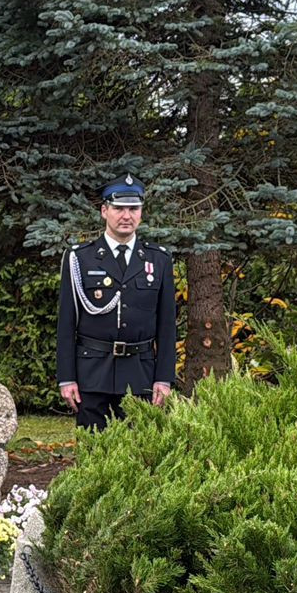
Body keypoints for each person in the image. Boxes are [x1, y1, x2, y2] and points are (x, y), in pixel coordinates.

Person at [56, 175, 178, 430]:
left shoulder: (159, 260)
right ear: (104, 211)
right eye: (119, 208)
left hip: (140, 375)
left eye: (133, 208)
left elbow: (167, 327)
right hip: (92, 374)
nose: (126, 215)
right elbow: (66, 324)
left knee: (141, 457)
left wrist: (164, 379)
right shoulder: (80, 258)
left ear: (141, 213)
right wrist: (66, 378)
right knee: (92, 456)